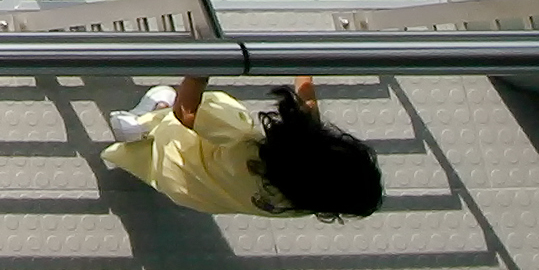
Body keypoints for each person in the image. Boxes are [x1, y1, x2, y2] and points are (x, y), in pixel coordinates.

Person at [100, 74, 386, 220]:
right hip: (187, 191)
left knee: (225, 111)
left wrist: (202, 64)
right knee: (179, 164)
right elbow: (308, 124)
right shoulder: (302, 201)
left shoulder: (243, 143)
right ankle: (148, 124)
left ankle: (148, 123)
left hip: (176, 149)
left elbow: (187, 112)